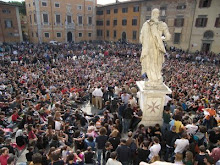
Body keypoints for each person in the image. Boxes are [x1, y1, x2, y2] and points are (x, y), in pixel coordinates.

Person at [140, 8, 171, 86]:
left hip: (149, 48)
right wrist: (161, 39)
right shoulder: (162, 24)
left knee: (150, 63)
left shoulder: (146, 24)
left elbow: (141, 38)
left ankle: (152, 79)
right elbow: (168, 37)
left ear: (152, 14)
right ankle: (155, 78)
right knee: (156, 63)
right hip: (158, 47)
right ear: (158, 14)